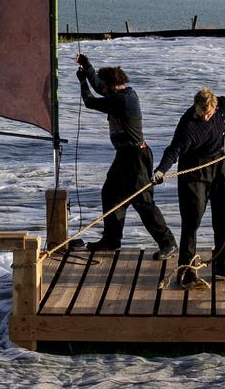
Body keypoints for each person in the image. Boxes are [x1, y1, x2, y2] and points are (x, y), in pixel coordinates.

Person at [155, 86, 225, 283]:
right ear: (195, 107)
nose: (205, 117)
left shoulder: (223, 106)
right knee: (192, 221)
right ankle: (187, 271)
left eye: (208, 113)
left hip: (219, 164)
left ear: (215, 107)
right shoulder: (188, 125)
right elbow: (173, 150)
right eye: (201, 113)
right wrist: (160, 170)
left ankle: (220, 264)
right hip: (194, 173)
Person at [74, 52, 177, 256]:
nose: (101, 88)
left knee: (143, 202)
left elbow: (90, 101)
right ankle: (111, 241)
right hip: (124, 156)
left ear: (111, 86)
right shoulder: (119, 94)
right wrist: (87, 67)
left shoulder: (123, 100)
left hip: (137, 158)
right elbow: (99, 85)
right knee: (110, 194)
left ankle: (168, 243)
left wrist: (82, 82)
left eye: (104, 86)